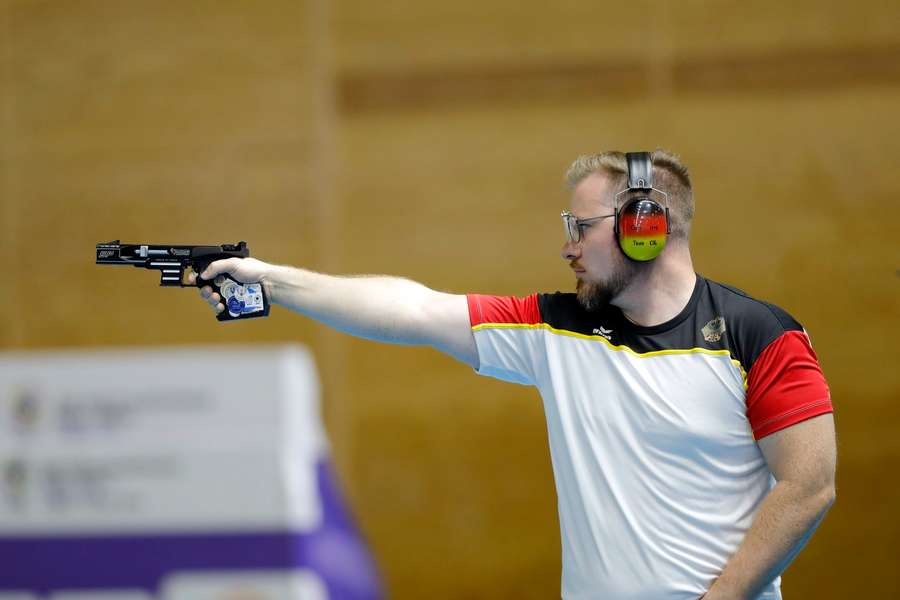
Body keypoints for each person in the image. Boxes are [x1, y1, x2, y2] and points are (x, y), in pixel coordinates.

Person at [189, 150, 836, 600]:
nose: (567, 248)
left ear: (646, 229)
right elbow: (413, 308)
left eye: (581, 228)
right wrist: (275, 282)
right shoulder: (555, 327)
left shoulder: (760, 335)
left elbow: (808, 484)